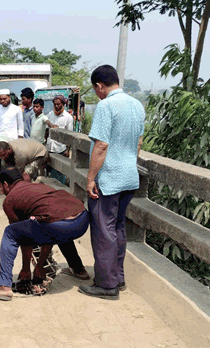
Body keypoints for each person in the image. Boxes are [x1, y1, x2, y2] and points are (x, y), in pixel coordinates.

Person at [79, 64, 145, 300]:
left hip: (108, 178)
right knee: (117, 228)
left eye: (95, 89)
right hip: (129, 176)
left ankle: (106, 284)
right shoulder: (137, 105)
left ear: (99, 86)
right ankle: (117, 277)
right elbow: (138, 143)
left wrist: (90, 178)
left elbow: (101, 145)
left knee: (103, 229)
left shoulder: (106, 106)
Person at [0, 168, 89, 301]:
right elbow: (48, 231)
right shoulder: (39, 186)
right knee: (59, 225)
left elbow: (24, 237)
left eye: (1, 186)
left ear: (6, 184)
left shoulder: (10, 200)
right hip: (82, 220)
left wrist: (27, 268)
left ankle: (4, 287)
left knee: (10, 232)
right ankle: (79, 269)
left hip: (58, 225)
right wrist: (39, 266)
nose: (1, 190)